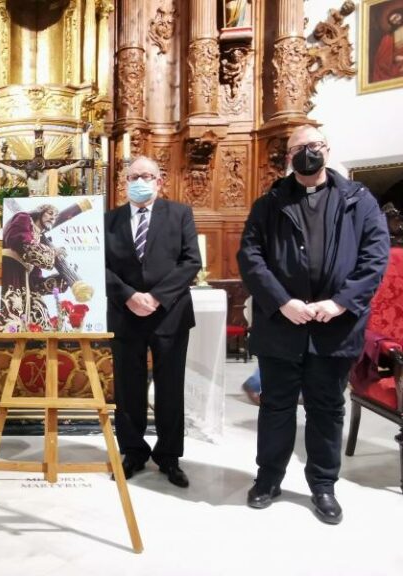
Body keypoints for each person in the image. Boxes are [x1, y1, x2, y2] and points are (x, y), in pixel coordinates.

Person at [237, 125, 389, 524]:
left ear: (327, 149)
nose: (307, 152)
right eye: (298, 148)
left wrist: (339, 303)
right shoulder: (269, 203)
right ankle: (268, 479)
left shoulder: (358, 200)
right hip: (281, 325)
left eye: (313, 145)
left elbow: (375, 258)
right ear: (288, 157)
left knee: (327, 408)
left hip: (335, 326)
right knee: (276, 406)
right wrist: (282, 302)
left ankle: (323, 486)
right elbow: (250, 257)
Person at [105, 155, 201, 487]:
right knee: (127, 388)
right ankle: (133, 452)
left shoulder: (180, 213)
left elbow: (191, 261)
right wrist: (130, 296)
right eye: (133, 176)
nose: (140, 181)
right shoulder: (109, 220)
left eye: (146, 176)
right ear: (125, 183)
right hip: (125, 313)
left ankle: (169, 456)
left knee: (170, 387)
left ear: (159, 181)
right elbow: (100, 265)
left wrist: (157, 296)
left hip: (170, 313)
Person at [0, 204, 68, 331]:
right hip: (12, 274)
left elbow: (36, 281)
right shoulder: (23, 218)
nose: (52, 218)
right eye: (50, 213)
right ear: (40, 212)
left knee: (40, 315)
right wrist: (52, 252)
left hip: (27, 285)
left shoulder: (38, 238)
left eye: (55, 217)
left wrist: (59, 281)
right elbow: (22, 244)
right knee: (12, 318)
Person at [0, 158, 85, 196]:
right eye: (28, 172)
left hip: (45, 201)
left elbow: (60, 170)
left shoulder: (46, 174)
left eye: (31, 172)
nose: (30, 174)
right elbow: (13, 171)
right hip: (31, 202)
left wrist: (76, 164)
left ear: (36, 169)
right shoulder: (27, 176)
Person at [372, 10, 403, 83]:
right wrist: (396, 58)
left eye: (396, 17)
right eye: (393, 20)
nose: (396, 20)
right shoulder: (388, 37)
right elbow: (382, 59)